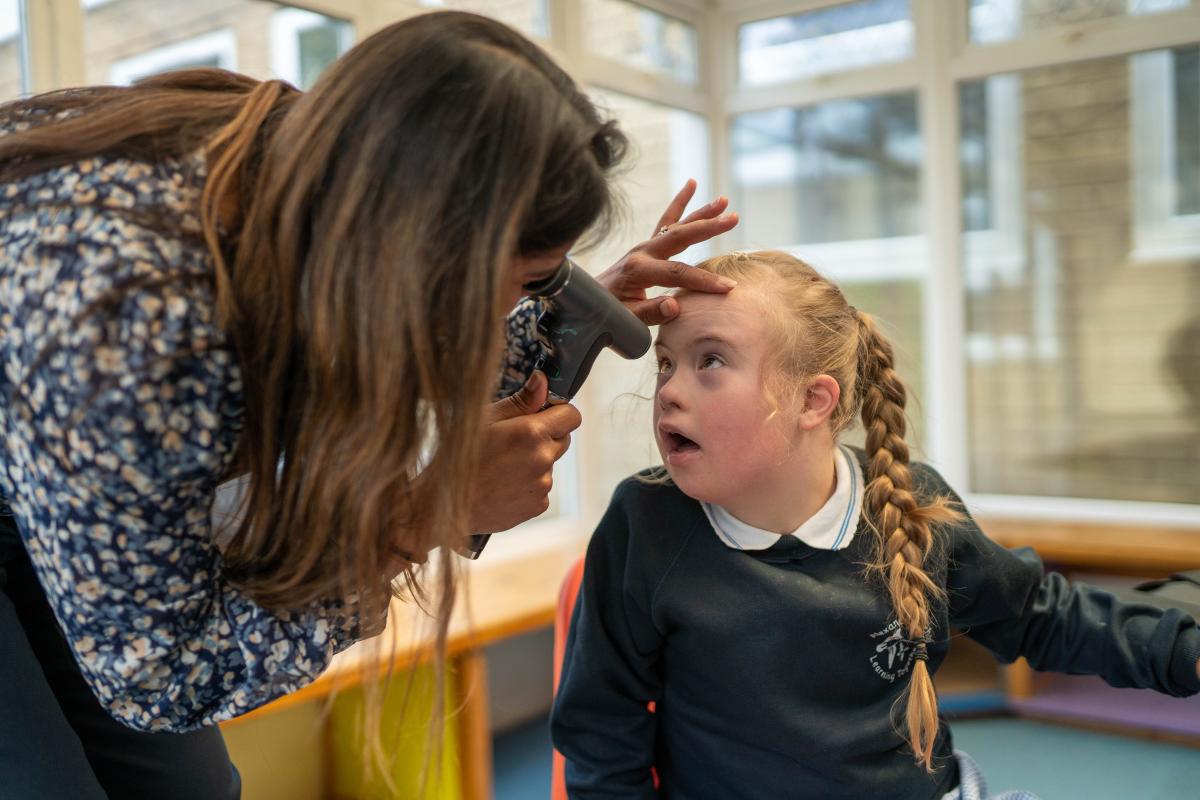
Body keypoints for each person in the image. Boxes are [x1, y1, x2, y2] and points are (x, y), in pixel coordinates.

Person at [0, 11, 738, 799]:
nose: (515, 306)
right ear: (420, 244)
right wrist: (417, 516)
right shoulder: (132, 323)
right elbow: (161, 684)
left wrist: (557, 315)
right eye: (523, 281)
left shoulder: (320, 156)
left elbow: (398, 330)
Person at [549, 250, 1200, 799]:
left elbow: (1041, 617)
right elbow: (602, 730)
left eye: (710, 361)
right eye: (667, 362)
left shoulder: (910, 507)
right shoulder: (645, 521)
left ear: (813, 400)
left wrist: (1181, 654)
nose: (669, 389)